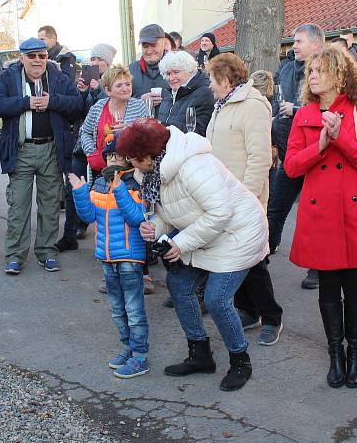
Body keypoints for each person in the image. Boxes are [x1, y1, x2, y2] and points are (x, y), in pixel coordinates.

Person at [121, 119, 269, 392]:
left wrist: (182, 243)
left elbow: (220, 212)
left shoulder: (194, 166)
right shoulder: (151, 173)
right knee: (178, 285)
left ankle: (240, 360)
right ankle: (200, 355)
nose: (130, 165)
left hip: (239, 234)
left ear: (147, 156)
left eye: (132, 158)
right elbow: (169, 211)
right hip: (206, 233)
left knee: (217, 299)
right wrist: (154, 227)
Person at [285, 46, 357, 389]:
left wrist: (339, 136)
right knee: (328, 286)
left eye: (319, 69)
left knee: (354, 287)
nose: (311, 75)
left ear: (339, 74)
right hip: (320, 210)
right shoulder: (303, 114)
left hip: (353, 208)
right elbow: (291, 166)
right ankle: (335, 355)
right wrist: (320, 145)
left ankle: (355, 353)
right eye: (309, 70)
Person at [0, 37, 84, 275]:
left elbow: (76, 106)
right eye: (32, 56)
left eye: (41, 55)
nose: (37, 60)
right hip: (21, 149)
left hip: (51, 149)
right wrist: (26, 103)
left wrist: (53, 101)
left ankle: (47, 251)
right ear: (22, 58)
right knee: (18, 205)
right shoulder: (9, 77)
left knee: (50, 205)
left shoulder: (59, 77)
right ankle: (15, 255)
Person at [205, 54, 283, 346]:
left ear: (225, 80)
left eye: (212, 79)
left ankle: (272, 316)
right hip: (223, 196)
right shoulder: (222, 105)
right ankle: (248, 310)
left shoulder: (252, 106)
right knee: (234, 257)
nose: (210, 86)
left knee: (253, 260)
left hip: (244, 199)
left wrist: (245, 199)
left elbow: (260, 157)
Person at [71, 134, 149, 378]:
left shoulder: (136, 184)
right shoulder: (100, 184)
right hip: (106, 257)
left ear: (129, 159)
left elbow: (137, 218)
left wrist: (121, 191)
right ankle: (127, 346)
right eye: (109, 156)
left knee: (134, 310)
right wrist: (81, 192)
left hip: (129, 257)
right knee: (117, 309)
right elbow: (89, 216)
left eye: (118, 156)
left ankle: (140, 356)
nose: (113, 160)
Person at [78, 65, 151, 291]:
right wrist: (93, 155)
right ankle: (110, 272)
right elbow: (85, 132)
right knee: (107, 219)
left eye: (128, 84)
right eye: (119, 85)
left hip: (132, 172)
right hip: (103, 169)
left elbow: (150, 133)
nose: (125, 88)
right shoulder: (99, 107)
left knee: (135, 218)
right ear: (108, 89)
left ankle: (143, 272)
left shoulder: (139, 106)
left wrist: (128, 129)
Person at [270, 23, 324, 289]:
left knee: (313, 212)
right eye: (294, 41)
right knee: (276, 205)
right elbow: (277, 100)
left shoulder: (328, 69)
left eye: (299, 41)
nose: (294, 46)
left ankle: (317, 268)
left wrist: (298, 109)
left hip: (315, 152)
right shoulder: (287, 67)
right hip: (287, 148)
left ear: (315, 44)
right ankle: (263, 254)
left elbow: (328, 104)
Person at [58, 43, 116, 251]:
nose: (96, 63)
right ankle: (72, 230)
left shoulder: (114, 82)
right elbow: (76, 113)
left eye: (100, 60)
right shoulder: (81, 81)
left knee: (105, 189)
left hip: (106, 145)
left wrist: (98, 89)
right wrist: (81, 93)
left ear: (108, 64)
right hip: (82, 143)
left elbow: (110, 107)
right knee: (73, 185)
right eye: (93, 59)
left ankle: (109, 236)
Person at [157, 50, 215, 136]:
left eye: (176, 72)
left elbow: (200, 131)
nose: (171, 78)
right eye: (168, 74)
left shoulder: (204, 93)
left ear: (189, 70)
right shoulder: (169, 94)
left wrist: (162, 127)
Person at [128, 24, 169, 108]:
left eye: (153, 45)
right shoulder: (129, 71)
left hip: (170, 121)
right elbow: (118, 102)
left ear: (164, 43)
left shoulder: (177, 67)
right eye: (145, 46)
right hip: (139, 120)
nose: (149, 51)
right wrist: (140, 102)